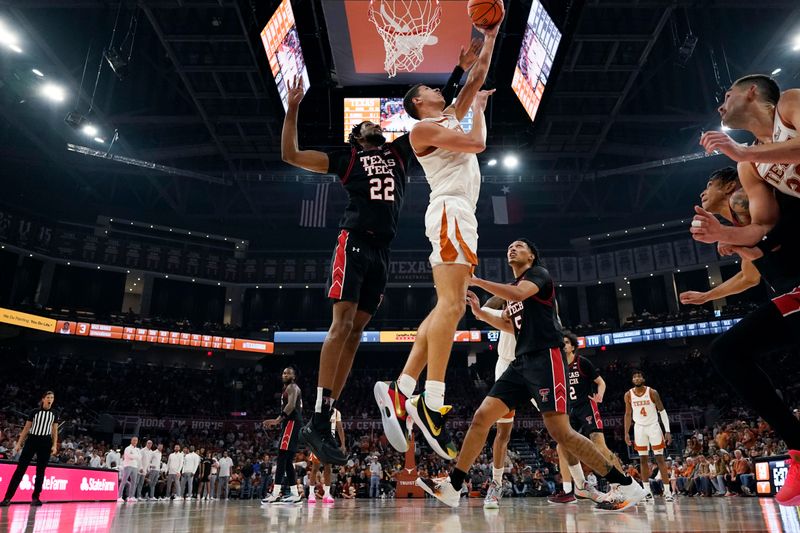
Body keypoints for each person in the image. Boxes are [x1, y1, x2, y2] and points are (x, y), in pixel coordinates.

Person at [281, 41, 483, 467]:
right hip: (352, 240)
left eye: (377, 122)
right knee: (340, 324)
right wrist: (293, 107)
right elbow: (291, 155)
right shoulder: (347, 158)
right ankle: (318, 413)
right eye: (365, 124)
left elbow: (437, 112)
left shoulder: (397, 152)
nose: (372, 124)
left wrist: (455, 74)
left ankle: (328, 410)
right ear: (356, 136)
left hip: (382, 251)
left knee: (356, 331)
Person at [417, 239, 645, 511]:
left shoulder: (538, 276)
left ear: (532, 255)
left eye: (519, 245)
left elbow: (517, 295)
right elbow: (509, 325)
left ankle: (626, 485)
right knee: (481, 418)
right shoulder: (515, 291)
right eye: (509, 246)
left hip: (546, 357)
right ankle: (454, 486)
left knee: (562, 433)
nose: (512, 248)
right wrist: (479, 312)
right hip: (521, 363)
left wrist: (477, 281)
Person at [376, 20, 501, 462]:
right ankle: (431, 400)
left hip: (457, 213)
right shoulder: (421, 131)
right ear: (417, 102)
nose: (439, 90)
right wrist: (479, 110)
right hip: (450, 210)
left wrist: (489, 36)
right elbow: (477, 143)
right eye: (430, 88)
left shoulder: (443, 115)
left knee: (443, 306)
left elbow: (478, 77)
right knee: (452, 305)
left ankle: (402, 388)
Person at [691, 74, 800, 506]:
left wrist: (742, 149)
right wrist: (726, 235)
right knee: (726, 352)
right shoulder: (749, 165)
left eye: (726, 94)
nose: (721, 106)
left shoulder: (789, 105)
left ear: (751, 91)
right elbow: (764, 225)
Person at [548, 330, 615, 504]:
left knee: (599, 445)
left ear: (573, 346)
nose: (563, 346)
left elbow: (601, 382)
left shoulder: (582, 362)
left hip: (586, 406)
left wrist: (600, 395)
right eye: (561, 343)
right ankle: (568, 491)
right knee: (561, 447)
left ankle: (621, 485)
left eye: (566, 343)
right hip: (569, 410)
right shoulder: (557, 366)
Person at [464, 294, 516, 509]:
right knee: (502, 432)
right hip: (507, 368)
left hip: (535, 366)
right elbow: (483, 310)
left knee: (560, 427)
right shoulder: (508, 305)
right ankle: (496, 483)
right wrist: (507, 293)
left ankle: (577, 484)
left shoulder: (541, 301)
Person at [0, 391, 59, 507]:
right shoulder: (34, 412)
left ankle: (35, 498)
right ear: (43, 399)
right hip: (32, 440)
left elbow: (54, 431)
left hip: (45, 442)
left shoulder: (54, 413)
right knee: (20, 469)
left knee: (40, 471)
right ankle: (7, 498)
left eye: (52, 397)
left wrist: (54, 445)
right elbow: (26, 429)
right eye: (48, 397)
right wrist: (18, 444)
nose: (50, 399)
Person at [624, 370, 674, 502]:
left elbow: (662, 411)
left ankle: (668, 492)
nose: (637, 378)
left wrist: (667, 430)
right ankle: (647, 492)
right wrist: (626, 433)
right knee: (643, 460)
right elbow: (628, 414)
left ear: (643, 379)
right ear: (632, 380)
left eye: (639, 376)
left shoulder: (652, 392)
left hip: (653, 426)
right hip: (639, 428)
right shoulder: (628, 394)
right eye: (634, 376)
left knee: (660, 459)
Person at [261, 366, 303, 504]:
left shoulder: (292, 387)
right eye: (284, 372)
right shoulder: (288, 388)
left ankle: (275, 493)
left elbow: (290, 406)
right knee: (287, 461)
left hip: (291, 423)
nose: (285, 374)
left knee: (281, 457)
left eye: (288, 373)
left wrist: (276, 420)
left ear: (294, 376)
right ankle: (295, 494)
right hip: (292, 423)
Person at [307, 407, 345, 504]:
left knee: (328, 469)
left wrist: (343, 444)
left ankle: (327, 494)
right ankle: (311, 494)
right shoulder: (319, 409)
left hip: (329, 442)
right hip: (318, 441)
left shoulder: (336, 412)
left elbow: (340, 428)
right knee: (315, 468)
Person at [118, 436, 141, 502]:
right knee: (124, 481)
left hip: (135, 467)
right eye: (134, 440)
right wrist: (136, 456)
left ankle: (131, 497)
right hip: (128, 465)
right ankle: (119, 496)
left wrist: (135, 456)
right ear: (131, 441)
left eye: (136, 441)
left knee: (134, 482)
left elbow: (139, 457)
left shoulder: (137, 449)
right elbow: (130, 456)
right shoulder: (127, 448)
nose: (135, 442)